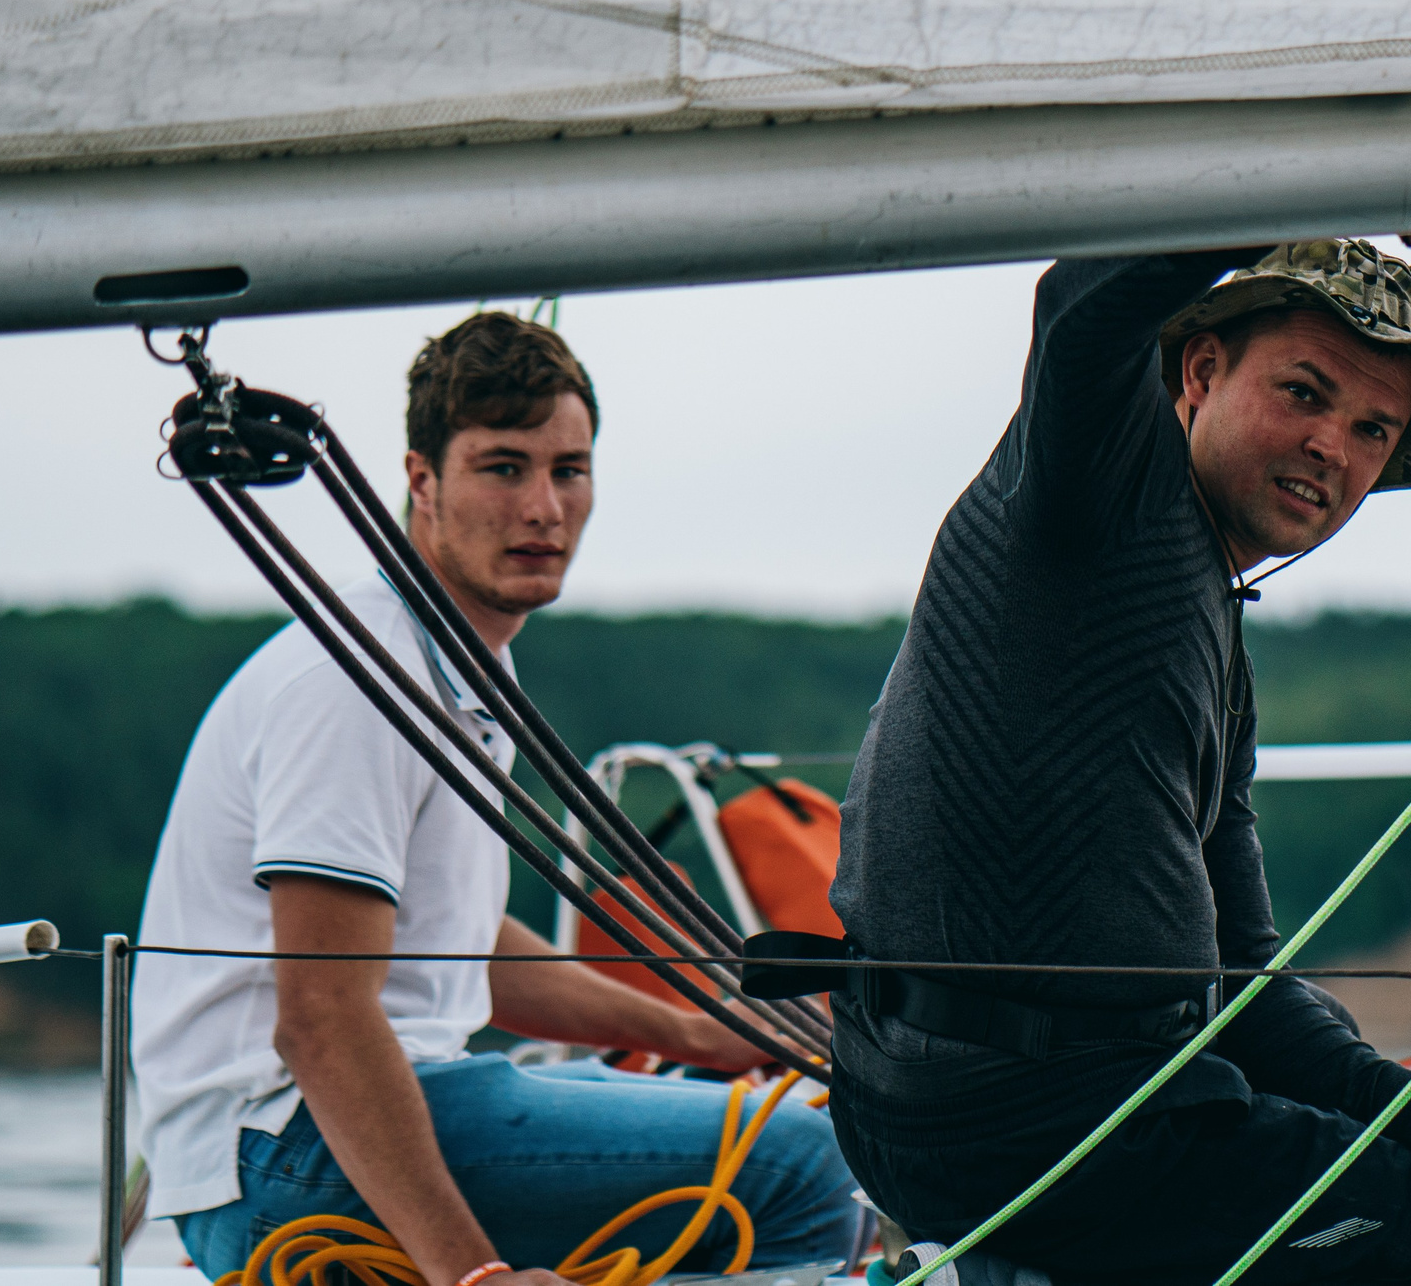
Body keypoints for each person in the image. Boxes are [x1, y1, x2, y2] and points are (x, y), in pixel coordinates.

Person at [829, 241, 1411, 1286]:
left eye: (1374, 430)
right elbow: (1080, 307)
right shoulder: (1104, 492)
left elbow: (1242, 986)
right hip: (1027, 1124)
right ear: (1197, 374)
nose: (1333, 446)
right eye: (1303, 393)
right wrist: (1299, 157)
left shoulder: (1214, 647)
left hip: (1045, 1113)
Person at [133, 313, 864, 1285]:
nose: (543, 509)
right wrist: (469, 1275)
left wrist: (696, 1029)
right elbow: (320, 1017)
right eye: (503, 468)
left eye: (569, 470)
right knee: (801, 1167)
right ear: (421, 481)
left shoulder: (461, 669)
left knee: (771, 1106)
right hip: (277, 1152)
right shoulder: (360, 678)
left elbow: (458, 937)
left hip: (316, 1131)